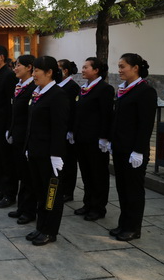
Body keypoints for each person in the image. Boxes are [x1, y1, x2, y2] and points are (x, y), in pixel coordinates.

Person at [109, 53, 157, 242]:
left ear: (135, 68)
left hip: (133, 151)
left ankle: (133, 228)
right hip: (120, 148)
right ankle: (124, 224)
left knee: (133, 190)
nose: (119, 70)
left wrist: (138, 150)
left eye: (123, 66)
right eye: (119, 66)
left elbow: (146, 125)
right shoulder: (123, 90)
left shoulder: (145, 91)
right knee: (122, 188)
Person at [25, 56, 69, 246]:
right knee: (40, 192)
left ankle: (50, 231)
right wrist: (28, 146)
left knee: (52, 193)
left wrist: (56, 155)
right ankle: (41, 226)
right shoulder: (38, 93)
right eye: (33, 70)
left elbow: (59, 127)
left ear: (49, 72)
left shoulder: (57, 95)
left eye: (37, 71)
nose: (33, 74)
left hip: (49, 155)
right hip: (36, 151)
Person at [72, 57, 114, 221]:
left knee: (98, 175)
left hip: (96, 140)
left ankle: (98, 207)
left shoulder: (105, 89)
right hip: (82, 138)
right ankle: (88, 203)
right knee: (86, 173)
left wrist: (104, 137)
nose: (82, 70)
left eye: (86, 67)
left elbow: (106, 115)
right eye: (82, 67)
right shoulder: (84, 88)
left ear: (96, 70)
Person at [6, 55, 37, 224]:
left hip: (26, 138)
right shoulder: (20, 86)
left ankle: (29, 210)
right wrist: (11, 131)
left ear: (29, 67)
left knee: (28, 177)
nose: (15, 68)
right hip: (17, 137)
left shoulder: (33, 88)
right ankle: (22, 207)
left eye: (18, 65)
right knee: (22, 174)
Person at [0, 46, 18, 207]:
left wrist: (8, 128)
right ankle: (2, 188)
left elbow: (10, 104)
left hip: (3, 125)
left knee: (7, 162)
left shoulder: (9, 75)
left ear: (1, 57)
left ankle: (10, 194)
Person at [57, 59, 81, 203]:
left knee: (69, 162)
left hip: (68, 130)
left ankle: (68, 191)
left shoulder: (72, 87)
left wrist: (71, 130)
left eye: (58, 68)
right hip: (60, 129)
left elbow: (73, 111)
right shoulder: (58, 85)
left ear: (65, 71)